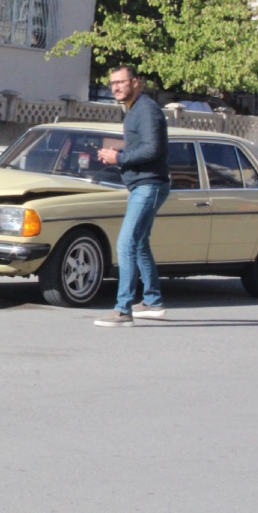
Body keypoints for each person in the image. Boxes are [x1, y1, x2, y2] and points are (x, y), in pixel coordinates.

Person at [94, 65, 171, 327]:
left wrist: (120, 157)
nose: (115, 88)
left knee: (125, 244)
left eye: (121, 82)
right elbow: (144, 147)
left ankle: (122, 309)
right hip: (142, 185)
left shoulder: (146, 109)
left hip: (149, 186)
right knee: (138, 244)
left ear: (136, 82)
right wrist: (117, 155)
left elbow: (153, 149)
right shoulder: (134, 110)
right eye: (112, 84)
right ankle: (152, 300)